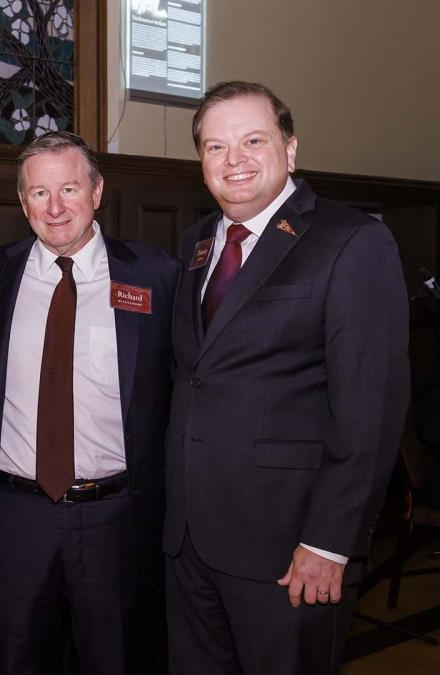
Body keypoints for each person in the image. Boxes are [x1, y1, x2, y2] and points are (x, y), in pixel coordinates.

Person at [164, 81, 410, 674]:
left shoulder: (351, 240)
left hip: (289, 548)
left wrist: (330, 541)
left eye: (253, 140)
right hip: (189, 540)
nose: (234, 160)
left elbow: (370, 410)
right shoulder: (197, 242)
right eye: (216, 147)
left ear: (291, 150)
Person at [0, 130, 179, 674]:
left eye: (69, 189)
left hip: (117, 519)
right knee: (11, 659)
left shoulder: (155, 276)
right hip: (14, 517)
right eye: (40, 193)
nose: (56, 207)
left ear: (98, 191)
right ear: (22, 201)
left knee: (117, 660)